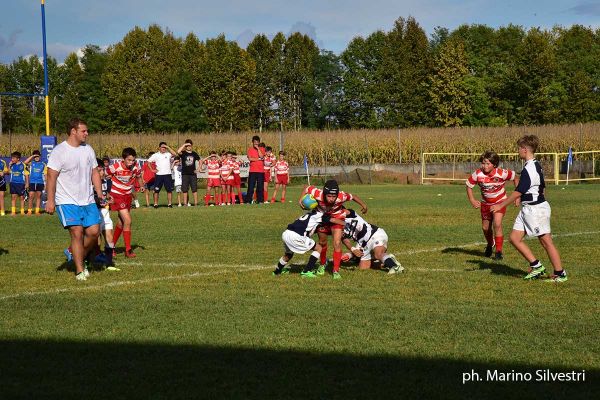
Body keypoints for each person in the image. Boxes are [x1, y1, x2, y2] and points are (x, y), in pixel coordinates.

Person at [490, 135, 567, 282]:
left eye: (519, 148)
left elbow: (519, 190)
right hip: (528, 208)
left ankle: (560, 273)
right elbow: (541, 187)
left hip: (535, 210)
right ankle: (536, 266)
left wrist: (500, 205)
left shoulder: (530, 168)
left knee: (546, 241)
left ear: (525, 150)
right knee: (514, 238)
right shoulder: (534, 164)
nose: (518, 151)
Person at [46, 118, 104, 281]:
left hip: (87, 200)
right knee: (77, 233)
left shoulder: (88, 150)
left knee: (94, 232)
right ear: (73, 131)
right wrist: (50, 200)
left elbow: (94, 172)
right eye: (84, 131)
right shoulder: (59, 151)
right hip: (66, 201)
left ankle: (75, 254)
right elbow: (51, 176)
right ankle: (80, 270)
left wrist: (99, 194)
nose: (87, 133)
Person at [299, 180, 368, 279]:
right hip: (322, 219)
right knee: (322, 243)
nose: (331, 199)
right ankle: (322, 264)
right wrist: (300, 200)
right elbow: (306, 187)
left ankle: (335, 271)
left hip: (337, 219)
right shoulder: (318, 193)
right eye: (329, 196)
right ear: (325, 194)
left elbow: (353, 196)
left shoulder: (341, 196)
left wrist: (364, 205)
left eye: (333, 196)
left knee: (337, 243)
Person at [466, 151, 518, 260]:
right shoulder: (478, 174)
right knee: (485, 228)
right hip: (485, 204)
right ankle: (490, 244)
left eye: (487, 164)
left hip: (500, 202)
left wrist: (517, 196)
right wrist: (472, 200)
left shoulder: (502, 173)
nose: (484, 166)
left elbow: (515, 177)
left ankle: (499, 251)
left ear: (494, 164)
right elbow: (469, 185)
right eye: (483, 163)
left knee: (497, 224)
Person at [331, 209, 404, 274]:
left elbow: (346, 210)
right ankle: (388, 260)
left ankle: (395, 267)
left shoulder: (351, 215)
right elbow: (344, 240)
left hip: (375, 234)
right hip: (364, 243)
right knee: (363, 268)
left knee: (377, 254)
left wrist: (336, 214)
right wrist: (353, 250)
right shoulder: (336, 228)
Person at [105, 147, 144, 258]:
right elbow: (103, 174)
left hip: (127, 196)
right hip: (117, 195)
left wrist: (141, 186)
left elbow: (139, 176)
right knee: (128, 220)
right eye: (129, 160)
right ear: (123, 159)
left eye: (133, 160)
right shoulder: (115, 167)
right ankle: (128, 250)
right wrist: (105, 191)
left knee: (121, 223)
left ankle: (110, 248)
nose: (131, 163)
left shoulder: (135, 167)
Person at [272, 209, 330, 278]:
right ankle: (306, 271)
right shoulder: (319, 215)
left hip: (286, 233)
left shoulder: (308, 213)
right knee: (318, 248)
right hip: (296, 236)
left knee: (288, 254)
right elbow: (332, 220)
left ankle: (277, 271)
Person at [147, 142, 177, 208]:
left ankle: (169, 204)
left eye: (164, 147)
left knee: (169, 190)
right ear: (159, 148)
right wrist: (152, 170)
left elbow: (175, 154)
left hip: (167, 175)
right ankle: (155, 204)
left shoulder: (168, 154)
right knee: (156, 190)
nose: (163, 148)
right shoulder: (155, 155)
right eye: (162, 147)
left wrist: (168, 147)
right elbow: (148, 162)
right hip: (159, 175)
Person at [177, 139, 201, 206]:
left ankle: (196, 203)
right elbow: (178, 151)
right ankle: (185, 203)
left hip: (193, 174)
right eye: (187, 146)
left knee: (194, 189)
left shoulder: (194, 153)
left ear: (192, 146)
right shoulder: (183, 153)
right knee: (185, 190)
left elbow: (200, 161)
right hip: (185, 174)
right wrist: (184, 145)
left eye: (190, 145)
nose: (189, 147)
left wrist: (199, 168)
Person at [23, 150, 47, 215]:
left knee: (38, 196)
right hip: (32, 182)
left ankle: (37, 211)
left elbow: (45, 175)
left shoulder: (43, 164)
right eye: (35, 156)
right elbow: (25, 162)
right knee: (31, 196)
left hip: (40, 182)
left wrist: (46, 184)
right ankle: (29, 211)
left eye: (38, 156)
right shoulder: (31, 163)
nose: (36, 157)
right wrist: (32, 156)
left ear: (40, 156)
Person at [245, 135, 265, 204]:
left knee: (260, 187)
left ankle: (260, 200)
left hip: (260, 171)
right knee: (251, 186)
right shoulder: (250, 150)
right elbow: (250, 159)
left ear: (259, 142)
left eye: (257, 142)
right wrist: (259, 159)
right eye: (254, 142)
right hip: (252, 171)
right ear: (252, 142)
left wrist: (258, 149)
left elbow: (262, 156)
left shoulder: (262, 149)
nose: (256, 144)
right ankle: (248, 200)